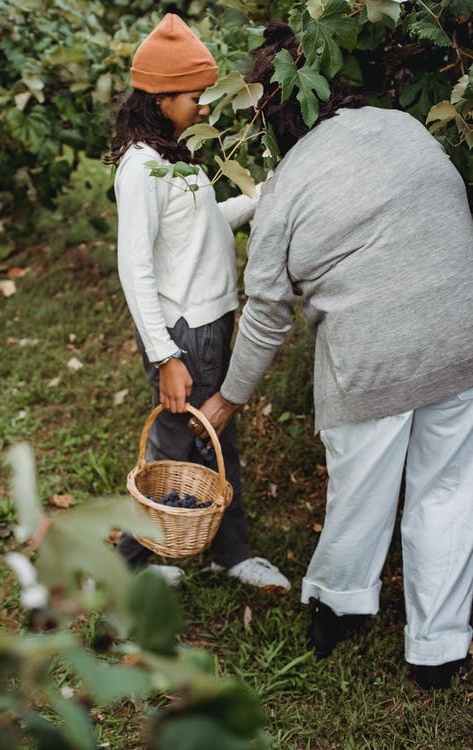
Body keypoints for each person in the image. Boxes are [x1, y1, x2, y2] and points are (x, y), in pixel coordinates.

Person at [198, 21, 473, 689]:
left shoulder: (289, 183)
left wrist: (229, 398)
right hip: (461, 335)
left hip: (372, 357)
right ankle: (438, 650)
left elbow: (265, 314)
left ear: (270, 116)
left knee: (362, 491)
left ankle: (338, 608)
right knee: (448, 492)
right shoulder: (404, 126)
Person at [108, 13, 290, 591]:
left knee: (214, 439)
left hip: (210, 321)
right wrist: (166, 356)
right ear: (160, 98)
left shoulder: (177, 157)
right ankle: (131, 569)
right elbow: (134, 267)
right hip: (185, 331)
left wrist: (259, 200)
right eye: (195, 96)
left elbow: (203, 228)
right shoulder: (142, 168)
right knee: (178, 444)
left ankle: (221, 548)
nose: (207, 106)